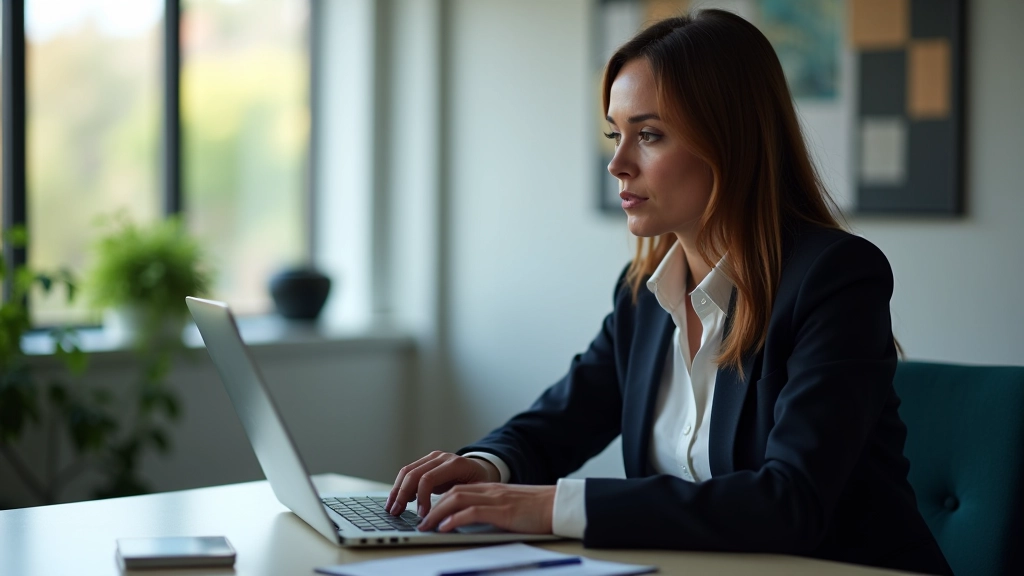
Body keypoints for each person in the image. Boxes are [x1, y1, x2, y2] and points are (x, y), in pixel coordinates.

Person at [385, 9, 951, 575]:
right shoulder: (642, 296)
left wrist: (550, 506)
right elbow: (564, 418)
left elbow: (789, 501)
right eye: (615, 134)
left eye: (648, 136)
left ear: (730, 142)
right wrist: (488, 466)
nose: (618, 164)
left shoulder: (835, 279)